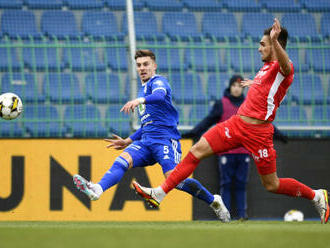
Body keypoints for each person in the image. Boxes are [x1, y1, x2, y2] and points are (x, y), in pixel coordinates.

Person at [132, 19, 330, 224]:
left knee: (272, 184)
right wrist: (254, 84)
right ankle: (159, 193)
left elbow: (286, 68)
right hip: (236, 125)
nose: (258, 48)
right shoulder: (265, 68)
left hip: (259, 133)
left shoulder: (284, 68)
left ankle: (316, 196)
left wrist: (275, 42)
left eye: (263, 44)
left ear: (274, 44)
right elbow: (266, 88)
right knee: (197, 150)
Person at [72, 49, 230, 222]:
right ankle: (97, 189)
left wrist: (140, 100)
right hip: (146, 141)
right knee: (121, 161)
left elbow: (160, 95)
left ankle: (214, 201)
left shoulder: (159, 82)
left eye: (146, 64)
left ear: (154, 65)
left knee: (174, 180)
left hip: (166, 140)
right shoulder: (142, 91)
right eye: (139, 65)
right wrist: (128, 140)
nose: (142, 68)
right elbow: (147, 124)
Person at [182, 75, 288, 220]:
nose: (237, 88)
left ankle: (242, 214)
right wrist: (193, 133)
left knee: (241, 184)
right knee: (225, 183)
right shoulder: (221, 104)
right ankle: (225, 214)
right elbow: (207, 121)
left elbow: (262, 123)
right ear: (230, 87)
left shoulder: (249, 104)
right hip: (225, 152)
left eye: (240, 86)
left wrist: (280, 135)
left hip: (244, 152)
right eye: (234, 85)